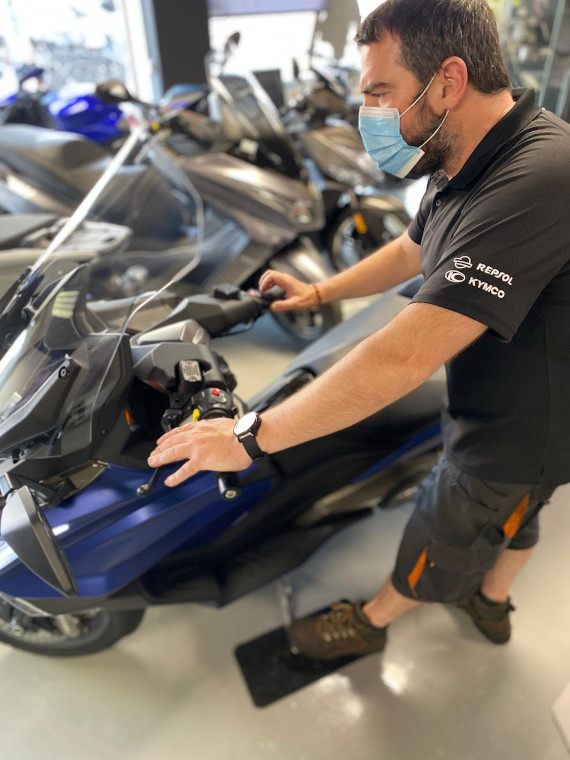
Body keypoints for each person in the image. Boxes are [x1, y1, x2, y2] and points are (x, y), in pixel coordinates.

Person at [148, 0, 570, 660]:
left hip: (523, 429)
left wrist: (248, 436)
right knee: (515, 513)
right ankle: (491, 601)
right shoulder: (464, 150)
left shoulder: (538, 177)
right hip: (503, 391)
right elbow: (412, 247)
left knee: (447, 529)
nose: (367, 112)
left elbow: (404, 357)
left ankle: (373, 621)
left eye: (378, 92)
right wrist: (321, 291)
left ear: (449, 81)